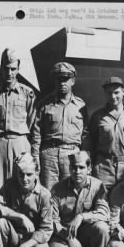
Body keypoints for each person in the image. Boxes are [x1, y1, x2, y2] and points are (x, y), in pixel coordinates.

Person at [49, 151, 110, 247]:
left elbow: (104, 213)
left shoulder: (98, 186)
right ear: (69, 168)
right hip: (64, 235)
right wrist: (68, 237)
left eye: (81, 167)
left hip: (86, 234)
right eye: (74, 167)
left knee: (102, 228)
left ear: (89, 168)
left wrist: (82, 216)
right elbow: (52, 220)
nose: (77, 171)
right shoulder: (57, 189)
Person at [0, 152, 53, 247]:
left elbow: (46, 230)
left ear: (36, 173)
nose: (24, 179)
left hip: (32, 239)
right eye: (21, 174)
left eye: (29, 175)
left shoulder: (44, 195)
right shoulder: (9, 185)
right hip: (13, 235)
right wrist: (19, 217)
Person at [0, 48, 37, 196]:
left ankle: (20, 217)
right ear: (1, 69)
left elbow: (31, 120)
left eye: (13, 69)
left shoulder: (27, 93)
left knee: (21, 183)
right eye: (6, 69)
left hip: (19, 142)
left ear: (18, 69)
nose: (9, 73)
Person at [31, 62, 90, 190]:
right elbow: (36, 133)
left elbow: (85, 134)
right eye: (59, 79)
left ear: (73, 81)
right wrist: (35, 156)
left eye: (66, 79)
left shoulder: (80, 106)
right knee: (48, 193)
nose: (62, 83)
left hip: (72, 153)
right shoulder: (44, 105)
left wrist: (84, 157)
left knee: (70, 192)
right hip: (49, 154)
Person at [88, 76, 124, 191]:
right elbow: (91, 142)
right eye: (109, 93)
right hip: (104, 168)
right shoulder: (98, 116)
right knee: (101, 203)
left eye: (116, 92)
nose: (113, 96)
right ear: (105, 94)